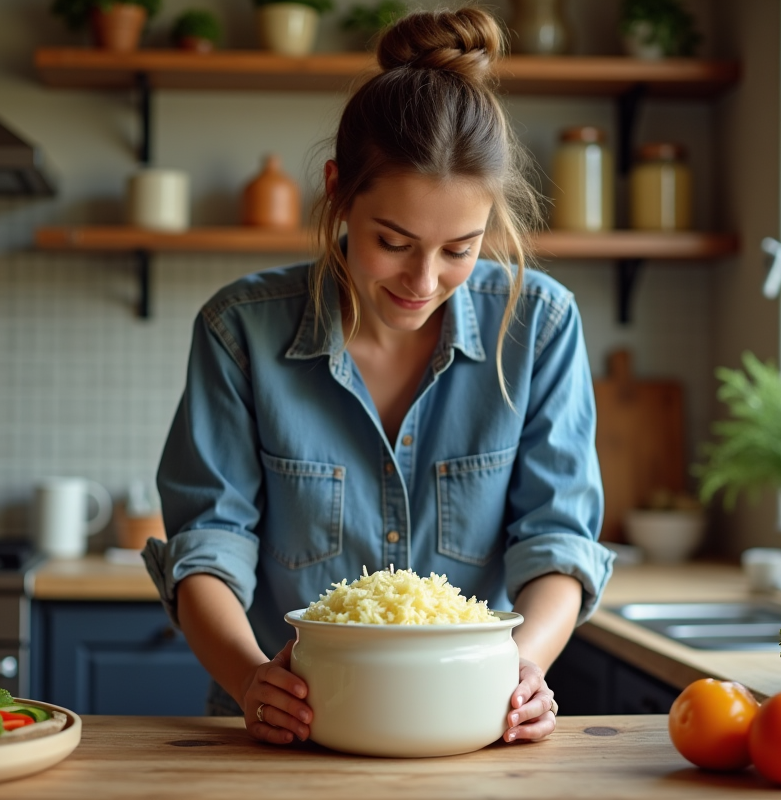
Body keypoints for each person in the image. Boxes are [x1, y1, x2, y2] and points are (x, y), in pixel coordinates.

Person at [144, 6, 613, 747]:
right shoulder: (239, 330)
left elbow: (556, 538)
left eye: (459, 249)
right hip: (286, 731)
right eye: (393, 242)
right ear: (338, 191)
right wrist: (249, 679)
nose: (423, 281)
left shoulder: (541, 325)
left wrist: (521, 669)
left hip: (472, 725)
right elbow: (209, 543)